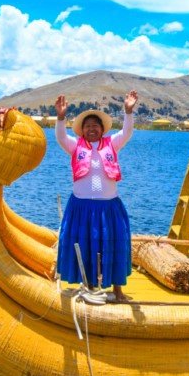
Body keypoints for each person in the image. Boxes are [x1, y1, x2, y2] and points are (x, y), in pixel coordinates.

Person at [54, 90, 138, 303]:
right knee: (85, 244)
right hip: (81, 207)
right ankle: (90, 287)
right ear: (82, 130)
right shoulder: (75, 146)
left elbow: (127, 132)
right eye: (88, 126)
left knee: (114, 243)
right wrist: (61, 117)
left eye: (96, 126)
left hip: (109, 207)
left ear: (102, 129)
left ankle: (118, 291)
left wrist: (128, 112)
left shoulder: (112, 144)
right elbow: (61, 137)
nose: (92, 129)